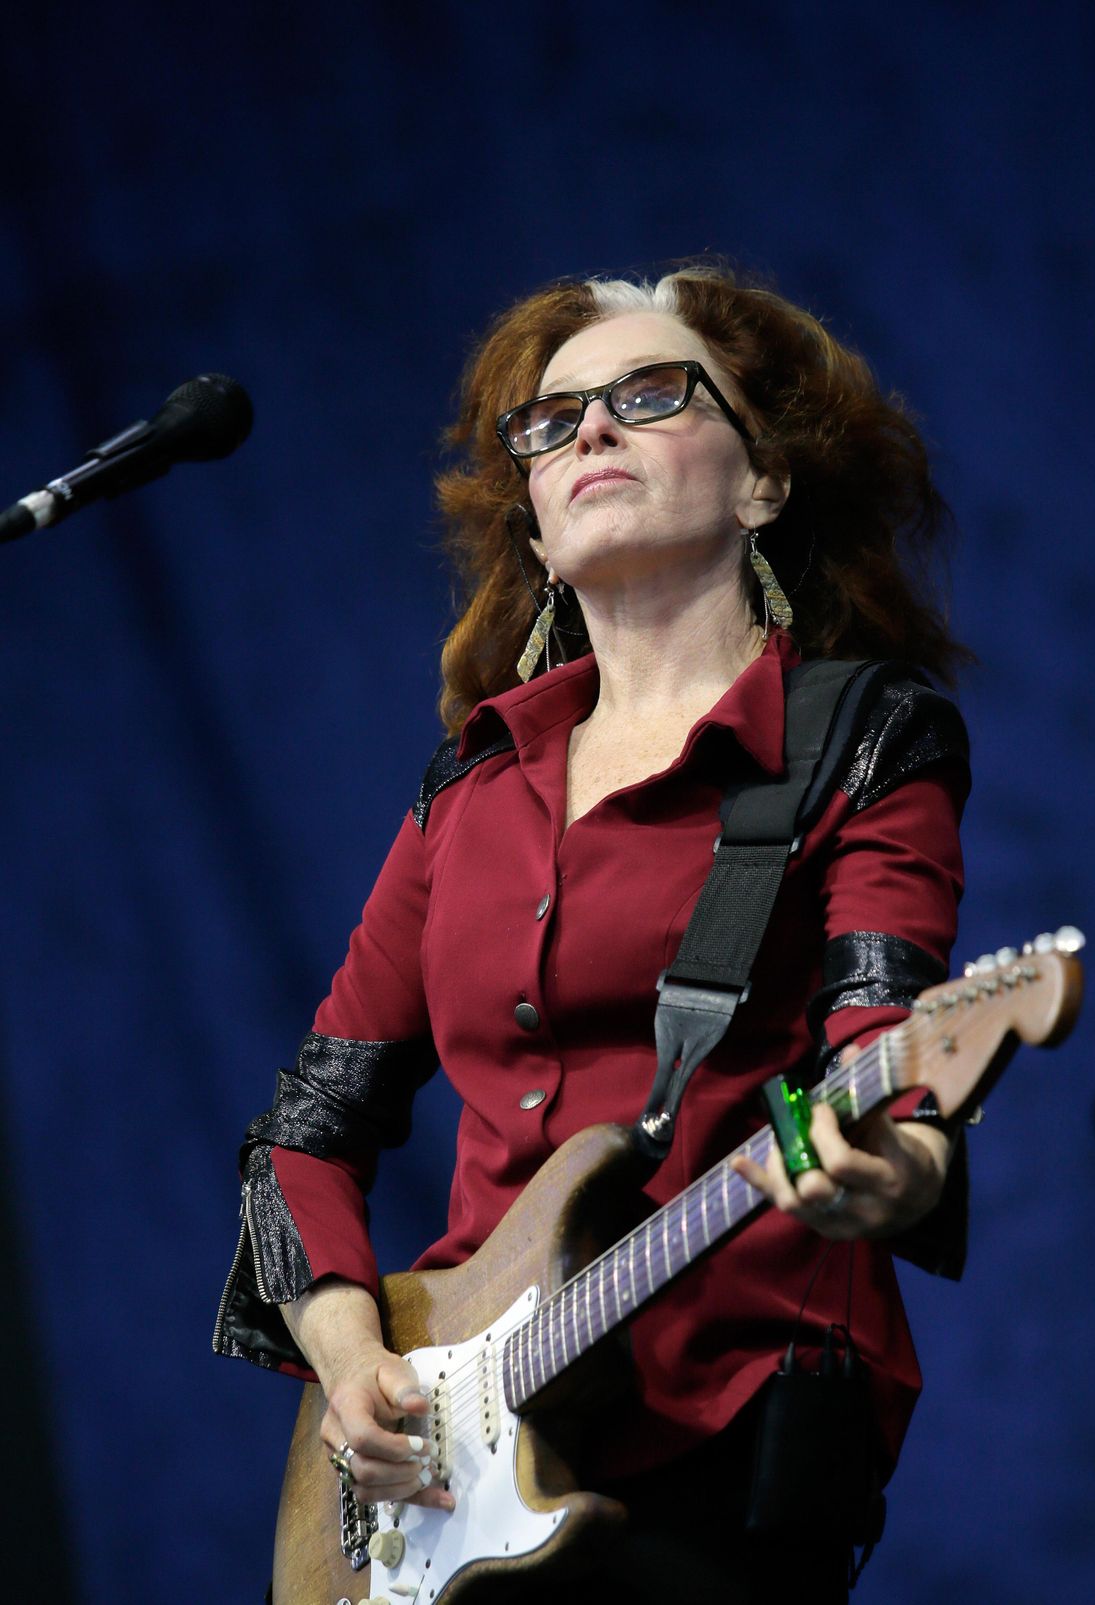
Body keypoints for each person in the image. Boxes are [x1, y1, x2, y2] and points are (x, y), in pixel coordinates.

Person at [215, 265, 971, 1603]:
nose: (590, 434)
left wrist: (895, 1160)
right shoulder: (473, 784)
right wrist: (350, 1359)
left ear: (764, 485)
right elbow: (307, 1130)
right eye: (552, 422)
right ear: (538, 527)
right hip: (456, 1457)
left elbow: (886, 1049)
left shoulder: (859, 734)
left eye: (649, 394)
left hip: (725, 1423)